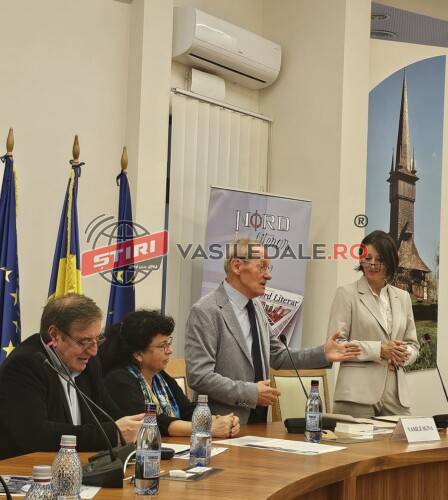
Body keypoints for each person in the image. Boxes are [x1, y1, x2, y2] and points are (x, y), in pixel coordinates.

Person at [185, 239, 361, 424]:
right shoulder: (206, 311)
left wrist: (323, 353)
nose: (268, 275)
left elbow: (278, 355)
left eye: (268, 268)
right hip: (222, 425)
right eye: (262, 266)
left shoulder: (256, 307)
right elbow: (199, 376)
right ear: (237, 266)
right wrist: (251, 393)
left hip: (259, 423)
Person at [0, 294, 144, 460]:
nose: (94, 351)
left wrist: (136, 426)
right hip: (27, 469)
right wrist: (112, 434)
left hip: (77, 467)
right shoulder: (25, 365)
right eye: (84, 341)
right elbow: (35, 434)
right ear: (54, 335)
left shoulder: (89, 363)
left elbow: (110, 414)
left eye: (97, 339)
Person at [99, 310, 240, 438]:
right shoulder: (119, 380)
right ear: (138, 354)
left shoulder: (160, 376)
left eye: (168, 343)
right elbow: (149, 422)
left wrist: (219, 420)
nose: (170, 350)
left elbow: (186, 410)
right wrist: (204, 428)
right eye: (162, 346)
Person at [328, 230, 420, 418]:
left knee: (405, 437)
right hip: (356, 394)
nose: (372, 264)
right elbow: (336, 345)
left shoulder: (403, 298)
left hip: (396, 395)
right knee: (356, 440)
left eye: (379, 259)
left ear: (390, 262)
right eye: (367, 258)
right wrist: (379, 350)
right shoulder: (346, 294)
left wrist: (404, 354)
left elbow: (413, 345)